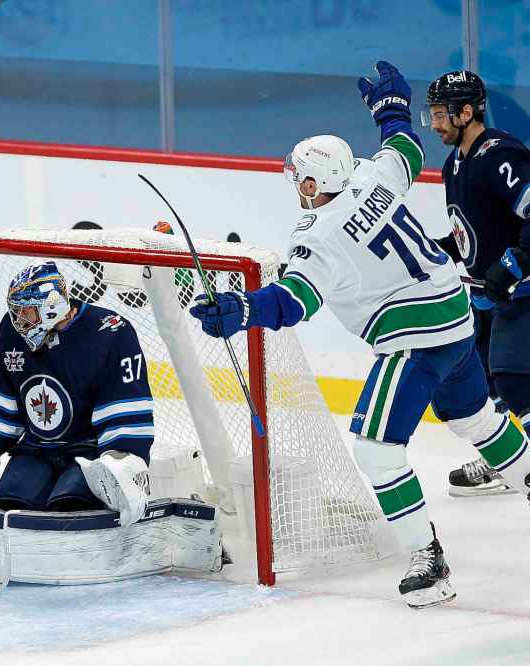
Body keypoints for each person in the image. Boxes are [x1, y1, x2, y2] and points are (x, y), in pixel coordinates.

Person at [189, 61, 530, 609]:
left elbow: (292, 301)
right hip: (458, 319)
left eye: (296, 174)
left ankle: (428, 559)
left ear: (311, 182)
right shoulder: (373, 176)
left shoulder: (316, 234)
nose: (292, 183)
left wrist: (240, 310)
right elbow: (406, 147)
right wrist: (389, 109)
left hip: (413, 337)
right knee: (478, 421)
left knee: (375, 451)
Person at [0, 261, 154, 525]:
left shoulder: (111, 332)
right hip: (35, 451)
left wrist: (122, 463)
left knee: (70, 509)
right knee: (9, 504)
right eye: (15, 312)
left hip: (88, 453)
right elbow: (1, 412)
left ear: (51, 306)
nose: (18, 321)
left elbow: (125, 418)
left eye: (26, 312)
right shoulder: (11, 332)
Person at [423, 70, 530, 497]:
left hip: (521, 290)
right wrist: (430, 249)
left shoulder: (499, 155)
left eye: (440, 114)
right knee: (486, 380)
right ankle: (507, 459)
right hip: (487, 294)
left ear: (466, 112)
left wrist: (516, 261)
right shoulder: (456, 164)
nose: (434, 124)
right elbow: (471, 232)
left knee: (513, 379)